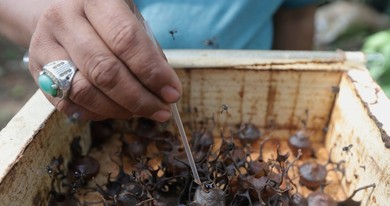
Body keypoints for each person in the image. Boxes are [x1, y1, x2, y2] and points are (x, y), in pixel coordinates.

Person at [0, 0, 321, 122]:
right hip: (103, 106)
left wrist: (285, 105)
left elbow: (297, 14)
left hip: (247, 104)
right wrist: (53, 19)